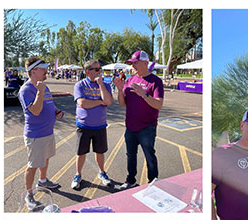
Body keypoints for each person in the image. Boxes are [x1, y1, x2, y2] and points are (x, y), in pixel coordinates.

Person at [113, 50, 164, 189]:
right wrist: (119, 90)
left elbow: (159, 104)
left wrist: (144, 95)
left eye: (136, 63)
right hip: (130, 126)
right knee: (131, 155)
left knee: (149, 156)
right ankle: (130, 180)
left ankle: (153, 182)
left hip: (147, 127)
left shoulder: (155, 81)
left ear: (145, 63)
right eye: (132, 63)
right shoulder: (130, 80)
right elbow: (122, 103)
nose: (133, 66)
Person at [18, 57, 64, 210]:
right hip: (35, 135)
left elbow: (49, 102)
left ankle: (43, 181)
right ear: (33, 71)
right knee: (32, 165)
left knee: (45, 159)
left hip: (48, 132)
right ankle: (29, 194)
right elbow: (36, 111)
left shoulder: (44, 87)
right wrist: (40, 91)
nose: (46, 71)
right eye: (43, 68)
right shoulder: (26, 90)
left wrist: (56, 111)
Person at [71, 59, 114, 189]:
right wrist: (99, 102)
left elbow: (108, 101)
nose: (99, 71)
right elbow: (82, 103)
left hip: (100, 125)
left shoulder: (105, 85)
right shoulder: (80, 85)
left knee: (100, 152)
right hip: (84, 126)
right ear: (88, 71)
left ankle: (102, 173)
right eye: (96, 69)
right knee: (81, 153)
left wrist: (101, 85)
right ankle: (78, 174)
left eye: (100, 69)